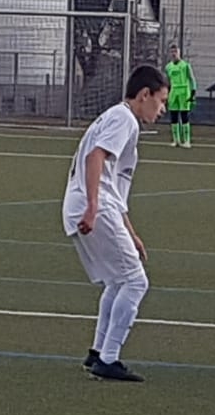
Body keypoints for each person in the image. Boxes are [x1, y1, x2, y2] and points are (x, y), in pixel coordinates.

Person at [61, 65, 170, 383]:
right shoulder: (124, 119)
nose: (162, 109)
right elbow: (94, 157)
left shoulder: (118, 118)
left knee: (117, 281)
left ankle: (97, 353)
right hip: (92, 206)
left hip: (89, 205)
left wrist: (131, 233)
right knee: (136, 282)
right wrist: (93, 207)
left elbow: (113, 187)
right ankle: (109, 359)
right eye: (161, 101)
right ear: (145, 95)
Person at [164, 43, 195, 149]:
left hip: (184, 91)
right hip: (174, 91)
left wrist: (193, 93)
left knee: (184, 115)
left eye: (175, 52)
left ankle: (186, 140)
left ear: (179, 53)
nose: (174, 54)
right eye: (172, 52)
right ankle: (176, 140)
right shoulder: (168, 67)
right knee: (173, 115)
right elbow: (167, 82)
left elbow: (192, 79)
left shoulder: (185, 65)